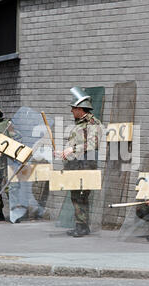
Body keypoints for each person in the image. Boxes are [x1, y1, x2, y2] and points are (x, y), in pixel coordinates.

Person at [54, 87, 103, 237]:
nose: (71, 111)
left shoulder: (93, 123)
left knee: (81, 196)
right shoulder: (78, 124)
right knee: (75, 196)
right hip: (75, 165)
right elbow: (74, 147)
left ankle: (82, 227)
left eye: (73, 108)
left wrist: (73, 149)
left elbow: (93, 144)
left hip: (86, 165)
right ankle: (81, 225)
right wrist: (64, 153)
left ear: (81, 109)